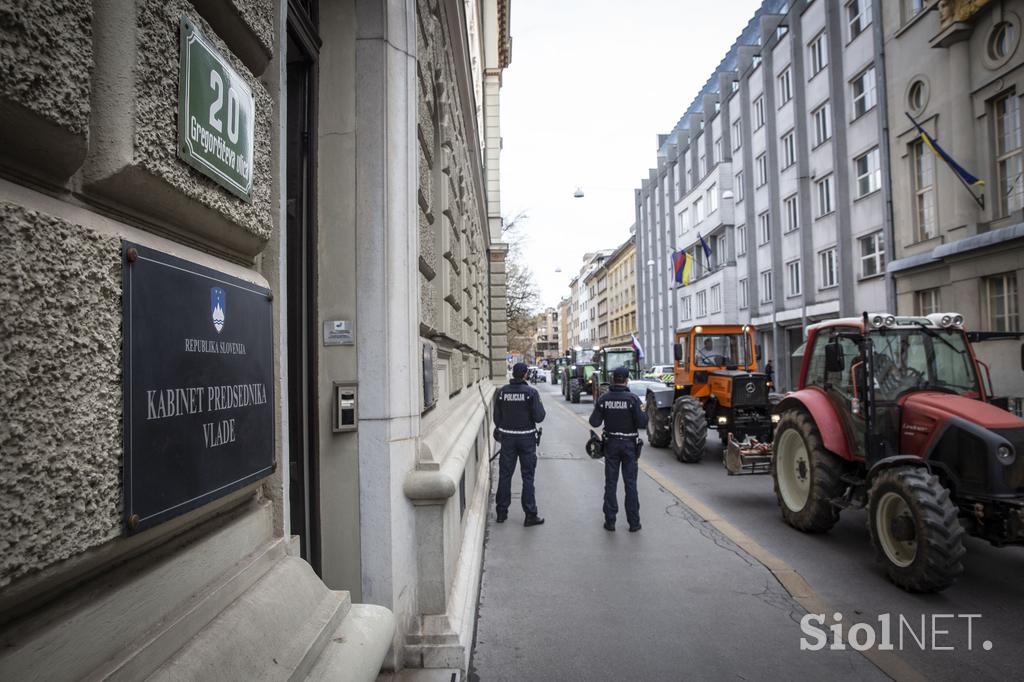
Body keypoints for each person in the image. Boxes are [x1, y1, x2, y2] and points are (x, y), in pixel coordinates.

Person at [589, 366, 648, 532]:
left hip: (611, 445)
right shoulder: (633, 399)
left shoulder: (604, 398)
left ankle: (610, 521)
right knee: (630, 484)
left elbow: (594, 422)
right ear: (627, 379)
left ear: (613, 379)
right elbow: (643, 422)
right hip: (629, 445)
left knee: (610, 483)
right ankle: (634, 523)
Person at [493, 362, 546, 526]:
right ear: (525, 375)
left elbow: (496, 418)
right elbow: (539, 417)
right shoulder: (531, 392)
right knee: (528, 477)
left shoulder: (502, 392)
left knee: (505, 475)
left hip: (507, 439)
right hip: (527, 440)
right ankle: (530, 514)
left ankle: (501, 513)